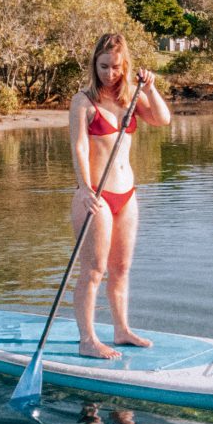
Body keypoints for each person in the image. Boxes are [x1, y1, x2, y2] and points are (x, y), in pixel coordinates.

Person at [67, 32, 172, 360]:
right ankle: (88, 339)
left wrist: (151, 88)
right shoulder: (83, 101)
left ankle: (122, 330)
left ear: (124, 66)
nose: (109, 73)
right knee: (94, 269)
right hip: (94, 197)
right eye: (102, 66)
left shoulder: (132, 99)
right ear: (93, 64)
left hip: (126, 195)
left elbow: (163, 119)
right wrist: (85, 188)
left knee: (121, 268)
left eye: (115, 67)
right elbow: (80, 147)